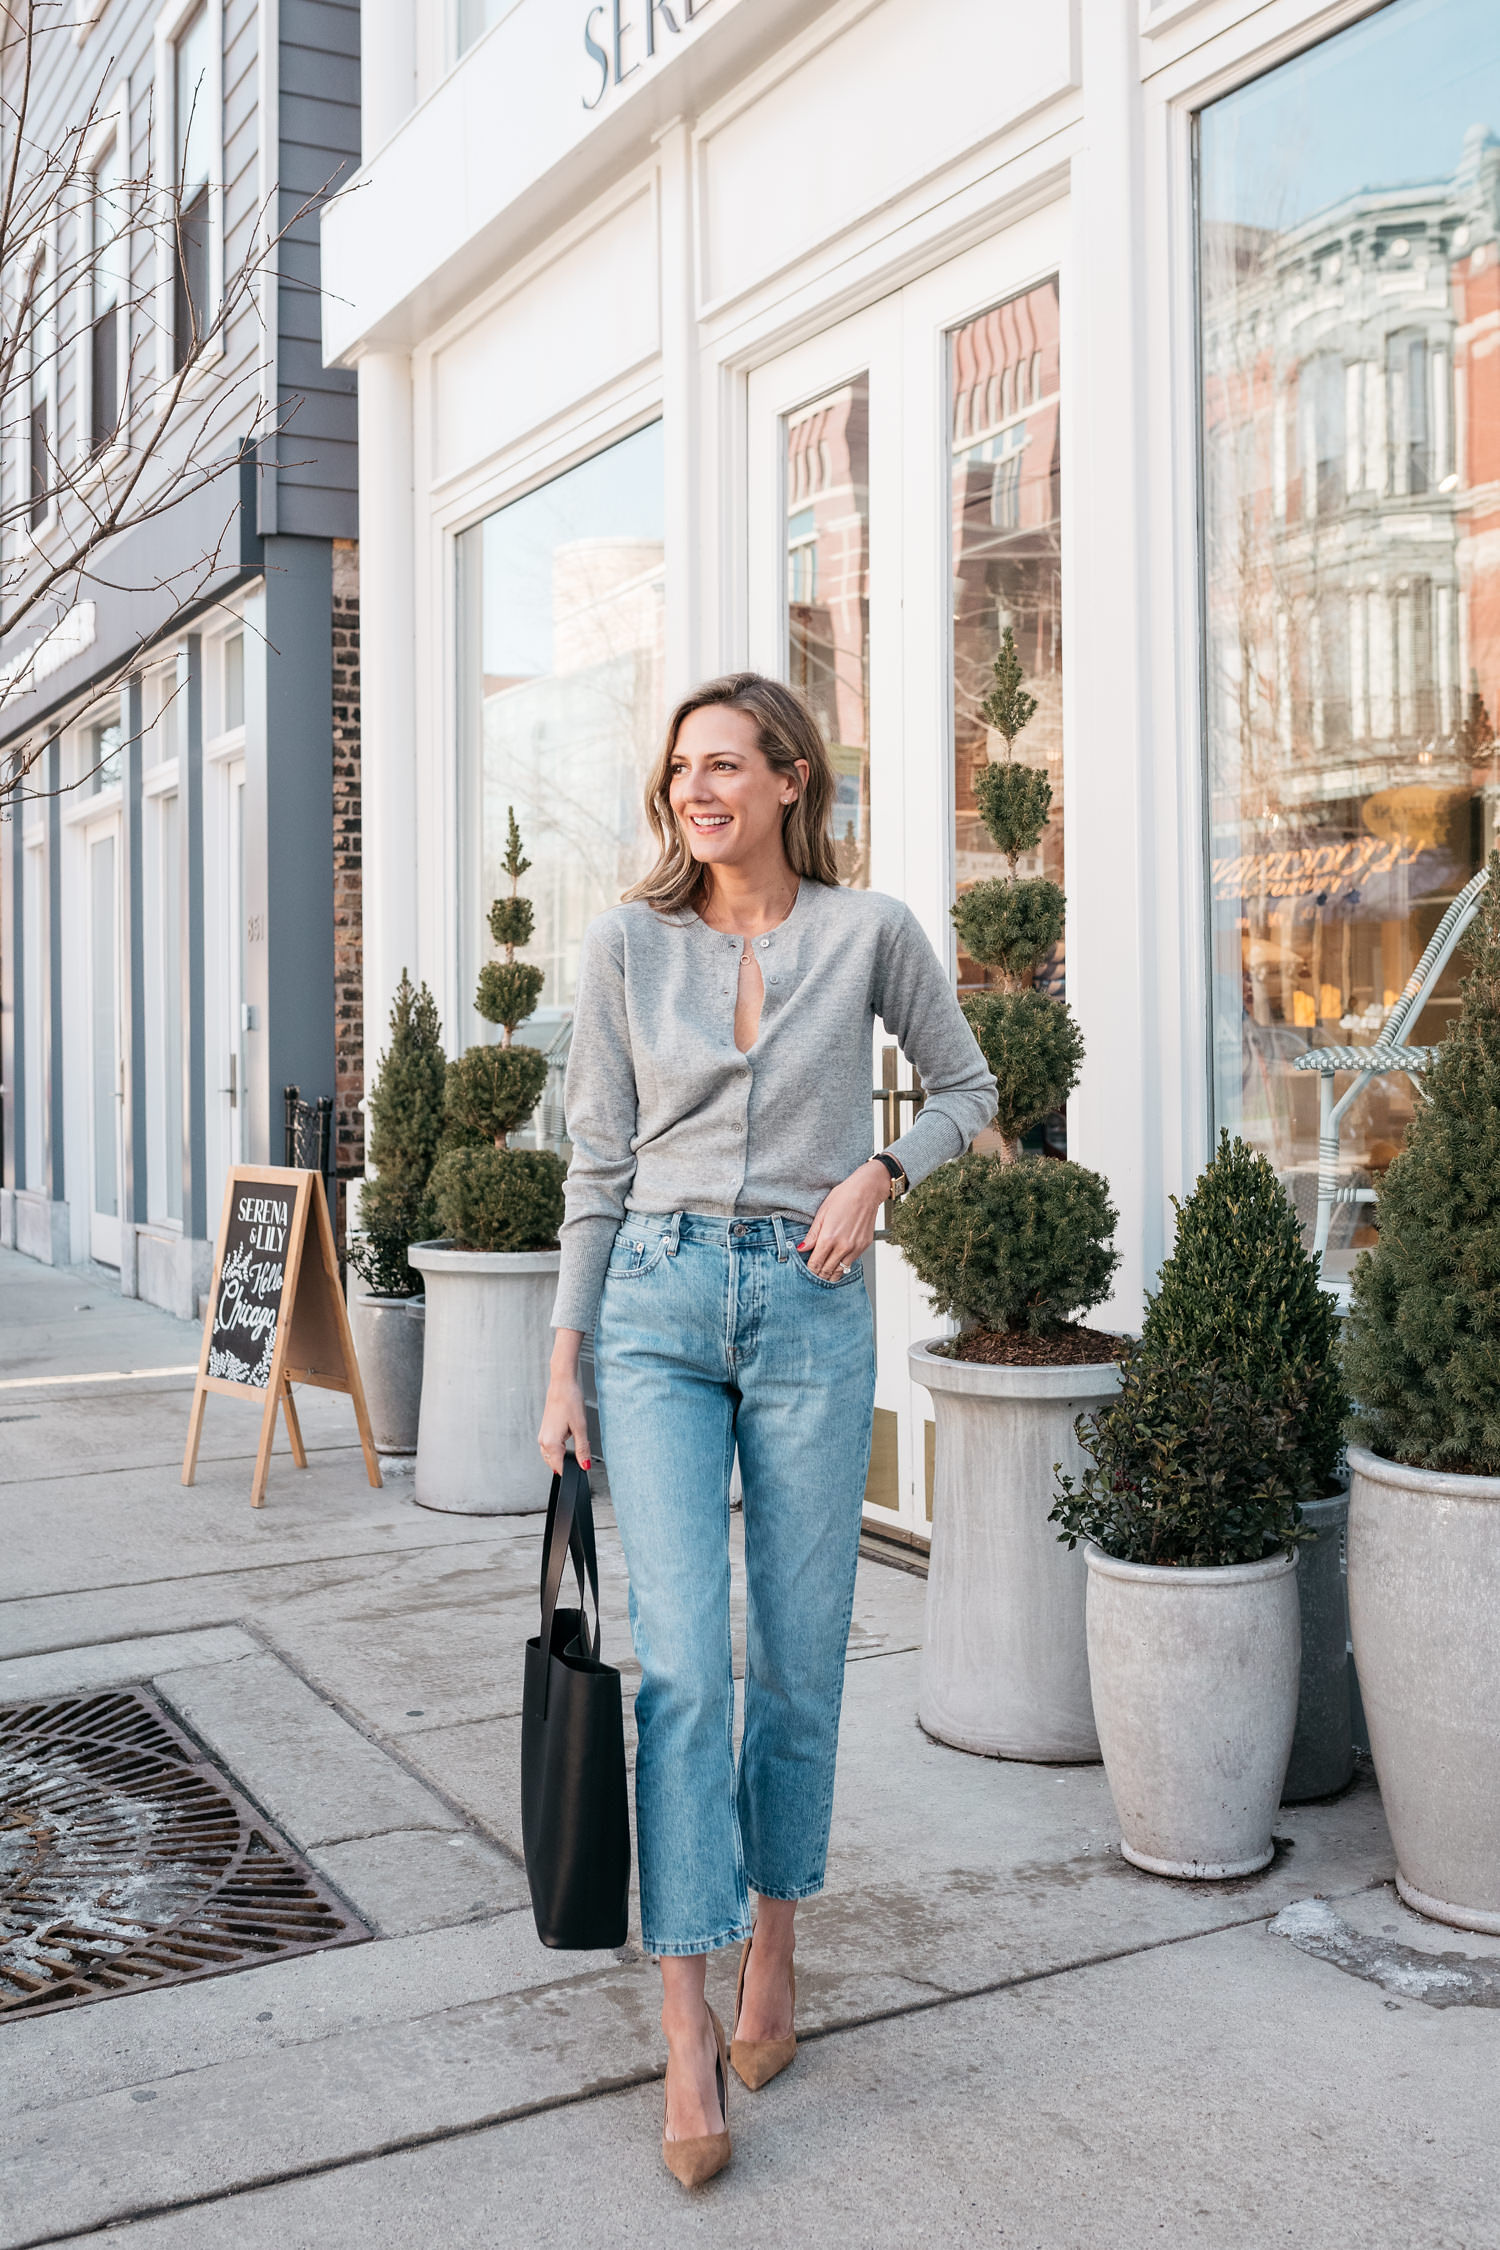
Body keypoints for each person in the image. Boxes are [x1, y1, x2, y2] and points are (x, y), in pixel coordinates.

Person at [538, 673, 996, 2186]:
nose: (697, 790)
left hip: (809, 1305)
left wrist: (881, 1172)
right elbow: (596, 1166)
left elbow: (968, 1085)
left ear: (791, 778)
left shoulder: (870, 933)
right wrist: (565, 1358)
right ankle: (684, 2023)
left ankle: (776, 1949)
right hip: (657, 1308)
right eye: (681, 769)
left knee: (798, 1662)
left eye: (724, 764)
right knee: (680, 1665)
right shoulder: (625, 943)